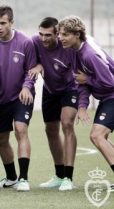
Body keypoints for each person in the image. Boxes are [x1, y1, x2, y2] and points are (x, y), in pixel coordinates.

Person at [0, 5, 37, 191]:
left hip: (22, 95)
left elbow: (31, 70)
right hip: (1, 97)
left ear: (12, 23)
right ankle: (12, 178)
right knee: (1, 138)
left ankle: (23, 179)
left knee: (20, 129)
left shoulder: (25, 42)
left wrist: (27, 87)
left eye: (3, 23)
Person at [58, 15, 114, 192]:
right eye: (60, 34)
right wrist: (82, 107)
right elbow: (81, 82)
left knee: (97, 135)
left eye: (65, 34)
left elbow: (110, 82)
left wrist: (88, 79)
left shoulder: (89, 54)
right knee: (99, 136)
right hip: (107, 98)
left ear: (77, 34)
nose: (61, 38)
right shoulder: (74, 51)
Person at [29, 17, 78, 191]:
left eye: (48, 35)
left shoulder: (67, 47)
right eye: (41, 34)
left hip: (69, 89)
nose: (44, 39)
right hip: (50, 90)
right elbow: (31, 60)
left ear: (57, 34)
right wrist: (37, 65)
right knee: (50, 129)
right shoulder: (35, 42)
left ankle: (68, 177)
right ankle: (58, 175)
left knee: (67, 123)